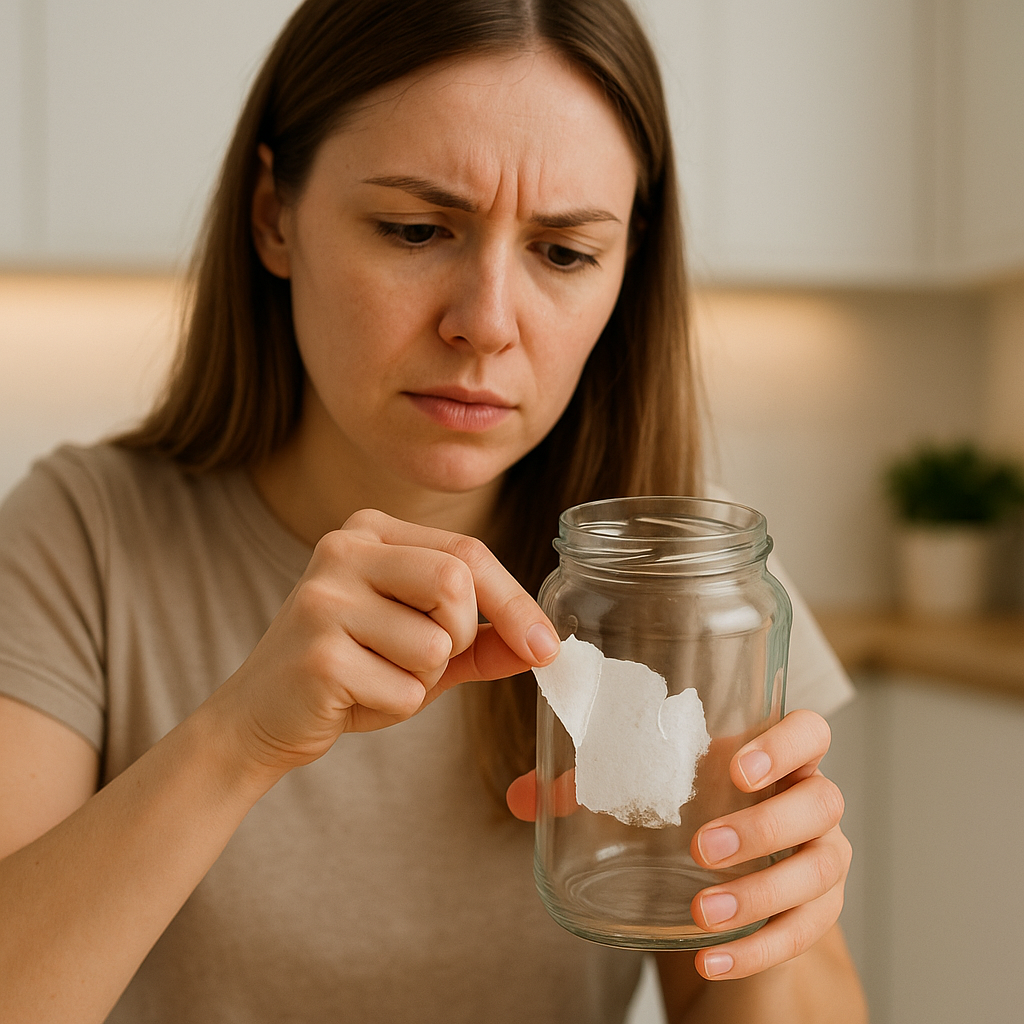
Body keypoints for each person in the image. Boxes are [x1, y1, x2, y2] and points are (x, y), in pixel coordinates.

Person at [0, 0, 867, 1020]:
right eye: (415, 230)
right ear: (274, 214)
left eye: (563, 254)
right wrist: (238, 740)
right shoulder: (83, 534)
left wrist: (747, 896)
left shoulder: (679, 574)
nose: (486, 324)